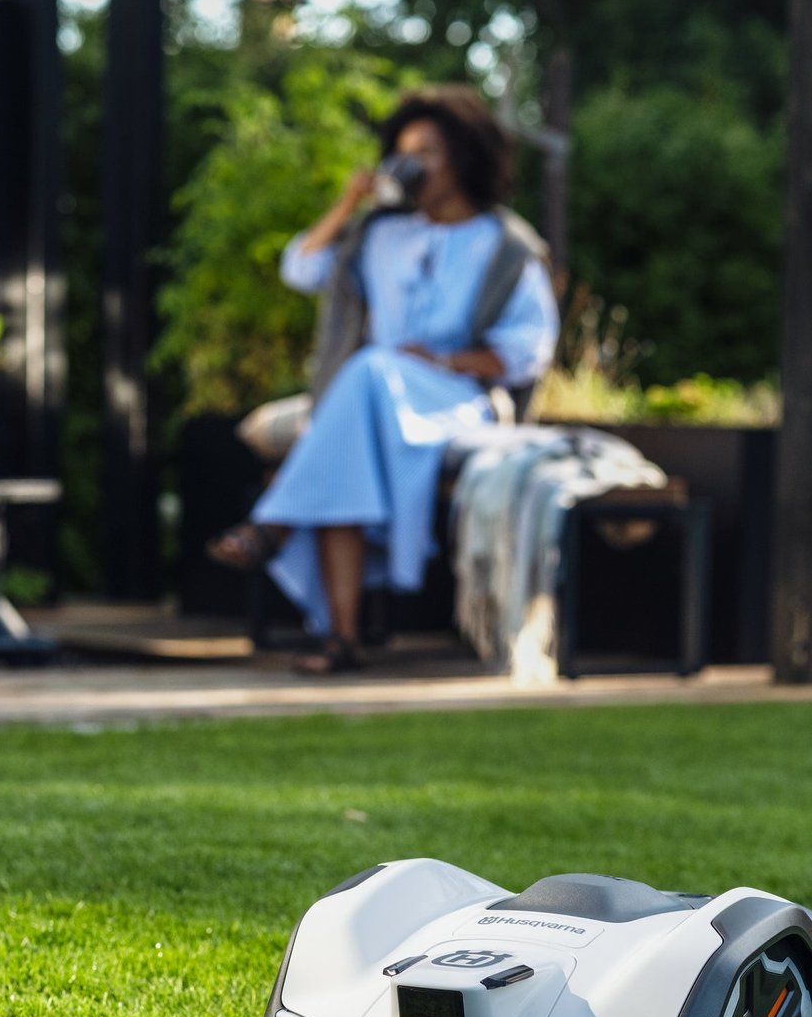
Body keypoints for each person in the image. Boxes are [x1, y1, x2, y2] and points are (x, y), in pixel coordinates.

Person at [210, 86, 560, 674]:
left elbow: (529, 350)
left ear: (465, 158)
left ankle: (275, 528)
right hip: (373, 400)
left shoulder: (505, 245)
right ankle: (342, 639)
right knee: (360, 401)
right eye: (404, 151)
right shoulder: (377, 234)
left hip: (456, 401)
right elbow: (299, 268)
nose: (413, 164)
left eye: (427, 151)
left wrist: (446, 362)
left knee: (366, 376)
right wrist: (349, 203)